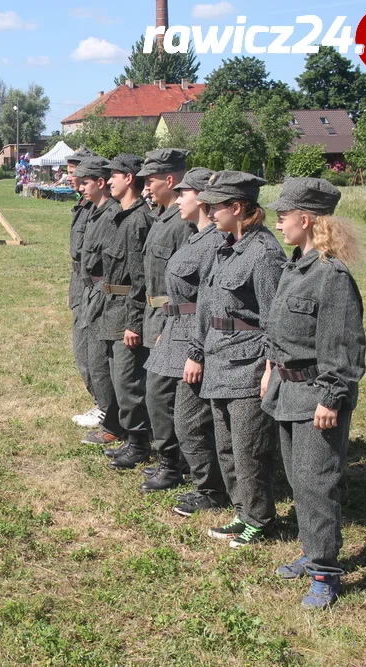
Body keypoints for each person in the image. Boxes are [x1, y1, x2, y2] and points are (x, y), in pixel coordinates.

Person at [261, 178, 366, 608]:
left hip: (316, 397)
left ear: (305, 220)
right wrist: (270, 369)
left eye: (283, 215)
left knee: (317, 483)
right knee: (298, 479)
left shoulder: (331, 275)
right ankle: (311, 551)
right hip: (287, 391)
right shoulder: (294, 266)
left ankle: (324, 571)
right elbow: (280, 330)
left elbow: (344, 345)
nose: (279, 221)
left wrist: (332, 397)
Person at [186, 171, 286, 548]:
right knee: (227, 444)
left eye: (215, 205)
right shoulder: (225, 247)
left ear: (237, 207)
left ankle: (259, 518)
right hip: (219, 358)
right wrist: (198, 350)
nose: (209, 212)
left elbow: (276, 319)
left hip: (249, 363)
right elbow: (206, 307)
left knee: (250, 447)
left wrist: (271, 367)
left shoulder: (264, 254)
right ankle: (243, 510)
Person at [145, 168, 231, 515]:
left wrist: (199, 343)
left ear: (203, 198)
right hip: (177, 327)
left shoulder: (215, 242)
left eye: (185, 193)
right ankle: (176, 465)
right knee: (158, 396)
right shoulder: (196, 237)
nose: (178, 198)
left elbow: (211, 298)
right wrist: (168, 321)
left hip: (196, 333)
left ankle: (209, 486)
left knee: (190, 416)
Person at [81, 154, 154, 467]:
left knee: (128, 382)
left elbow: (140, 280)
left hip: (125, 310)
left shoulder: (139, 220)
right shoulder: (122, 216)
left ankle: (138, 444)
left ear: (129, 178)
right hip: (109, 306)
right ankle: (129, 436)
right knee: (114, 377)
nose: (108, 181)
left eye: (114, 176)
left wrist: (135, 322)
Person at [137, 148, 194, 491]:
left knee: (163, 394)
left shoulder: (183, 224)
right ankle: (173, 461)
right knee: (159, 394)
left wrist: (170, 325)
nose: (146, 187)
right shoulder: (162, 216)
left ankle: (174, 464)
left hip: (173, 317)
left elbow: (187, 281)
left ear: (170, 180)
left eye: (151, 180)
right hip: (156, 314)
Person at [65, 147, 105, 429]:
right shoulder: (84, 205)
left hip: (95, 286)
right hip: (81, 284)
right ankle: (101, 404)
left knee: (92, 353)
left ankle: (105, 408)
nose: (71, 178)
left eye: (75, 173)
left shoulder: (99, 208)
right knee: (83, 351)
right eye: (69, 172)